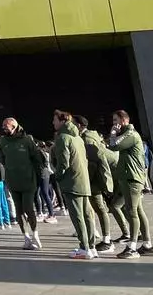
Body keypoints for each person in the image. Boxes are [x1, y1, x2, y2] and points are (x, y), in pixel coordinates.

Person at [108, 110, 153, 259]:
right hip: (130, 177)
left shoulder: (130, 134)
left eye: (116, 120)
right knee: (138, 211)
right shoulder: (127, 134)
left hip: (132, 178)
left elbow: (113, 146)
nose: (114, 123)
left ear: (123, 120)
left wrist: (113, 133)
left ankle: (132, 247)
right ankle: (147, 245)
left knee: (132, 211)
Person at [76, 116, 125, 251]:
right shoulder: (89, 137)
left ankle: (108, 240)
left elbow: (93, 163)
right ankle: (121, 235)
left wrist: (87, 180)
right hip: (104, 177)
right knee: (109, 208)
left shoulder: (87, 139)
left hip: (99, 179)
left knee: (103, 208)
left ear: (79, 126)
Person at [50, 111, 94, 259]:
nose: (53, 123)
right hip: (83, 180)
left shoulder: (63, 138)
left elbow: (63, 163)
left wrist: (58, 176)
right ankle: (91, 246)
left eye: (55, 120)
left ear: (62, 121)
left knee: (77, 216)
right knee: (87, 215)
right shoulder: (78, 137)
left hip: (71, 182)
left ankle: (84, 248)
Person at [0, 117, 42, 250]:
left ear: (14, 126)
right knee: (19, 210)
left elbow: (36, 158)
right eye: (3, 126)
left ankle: (35, 234)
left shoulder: (27, 140)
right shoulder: (2, 141)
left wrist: (37, 176)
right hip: (12, 180)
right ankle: (26, 237)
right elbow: (2, 159)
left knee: (28, 208)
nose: (3, 128)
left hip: (28, 180)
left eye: (6, 126)